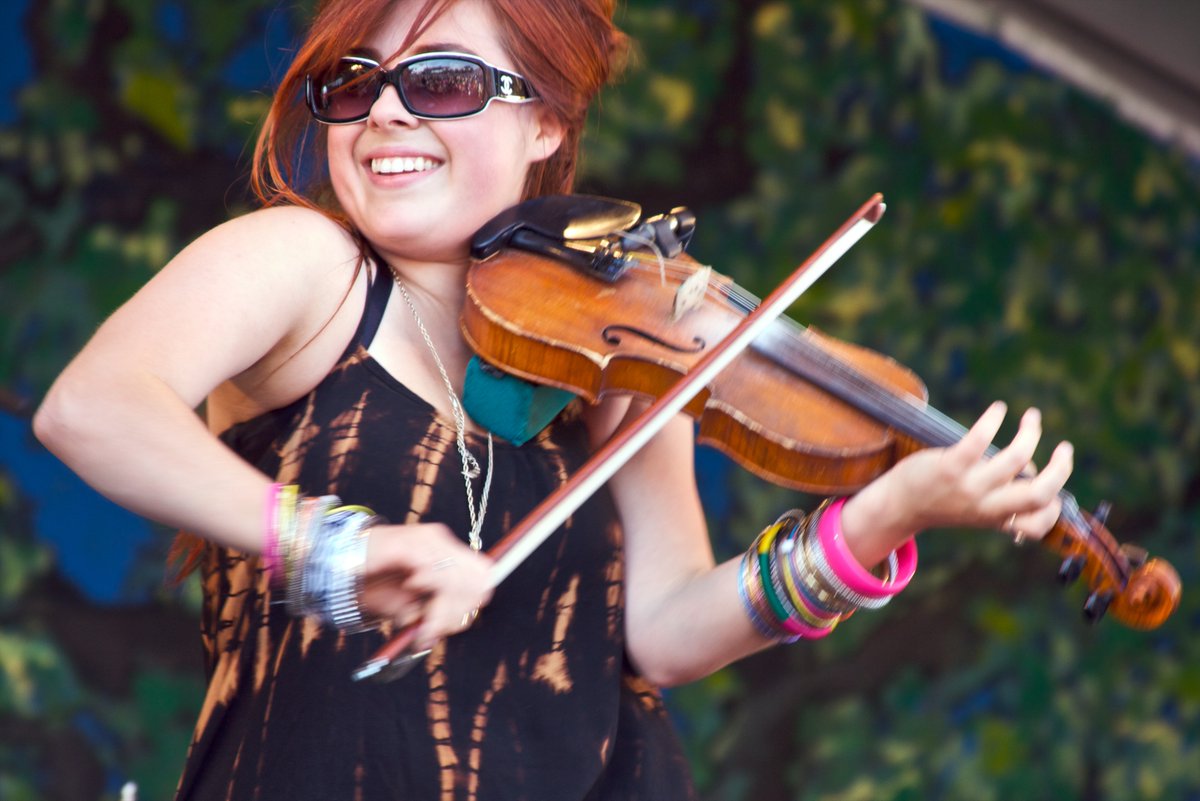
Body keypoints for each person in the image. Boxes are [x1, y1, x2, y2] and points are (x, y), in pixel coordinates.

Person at [32, 0, 1074, 798]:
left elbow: (663, 632)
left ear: (546, 122)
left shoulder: (612, 340)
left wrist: (882, 518)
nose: (386, 108)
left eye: (441, 83)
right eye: (353, 84)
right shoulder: (309, 265)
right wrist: (329, 549)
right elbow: (94, 408)